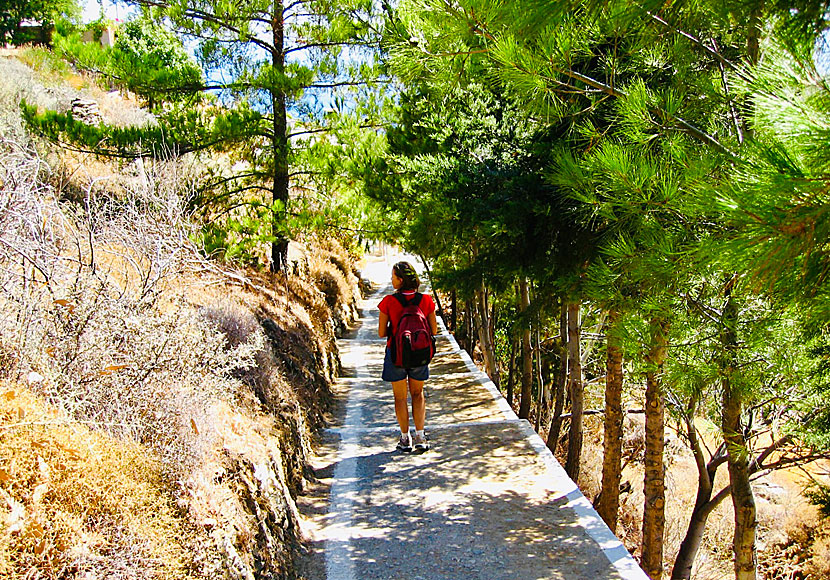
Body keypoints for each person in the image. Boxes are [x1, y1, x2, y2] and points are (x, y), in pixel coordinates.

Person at [378, 261, 438, 453]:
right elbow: (434, 330)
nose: (391, 279)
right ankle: (420, 436)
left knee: (400, 398)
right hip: (419, 353)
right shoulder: (426, 300)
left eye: (393, 276)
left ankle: (405, 439)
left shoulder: (388, 302)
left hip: (396, 354)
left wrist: (396, 329)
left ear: (401, 280)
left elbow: (381, 332)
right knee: (418, 394)